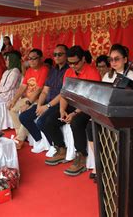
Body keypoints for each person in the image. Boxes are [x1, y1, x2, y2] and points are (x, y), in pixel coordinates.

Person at [44, 45, 101, 176]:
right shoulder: (68, 72)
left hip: (88, 107)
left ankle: (81, 156)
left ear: (83, 60)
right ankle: (61, 148)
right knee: (50, 119)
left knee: (76, 122)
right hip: (72, 103)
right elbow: (64, 93)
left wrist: (74, 113)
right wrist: (62, 109)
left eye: (75, 63)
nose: (72, 66)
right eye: (70, 63)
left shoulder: (92, 73)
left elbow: (91, 100)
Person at [19, 44, 69, 152]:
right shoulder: (53, 70)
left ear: (66, 55)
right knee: (24, 117)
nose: (57, 57)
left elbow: (64, 93)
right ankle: (40, 140)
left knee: (42, 121)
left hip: (60, 103)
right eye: (55, 55)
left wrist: (47, 106)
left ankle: (56, 146)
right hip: (47, 102)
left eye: (60, 54)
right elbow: (45, 91)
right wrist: (40, 105)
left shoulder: (69, 71)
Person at [7, 49, 49, 149]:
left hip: (38, 100)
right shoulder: (29, 70)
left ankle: (20, 139)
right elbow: (23, 87)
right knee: (12, 109)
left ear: (41, 58)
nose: (31, 61)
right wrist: (14, 100)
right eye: (29, 59)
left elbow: (39, 90)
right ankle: (19, 134)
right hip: (28, 98)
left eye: (34, 59)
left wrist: (28, 103)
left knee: (25, 114)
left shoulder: (44, 70)